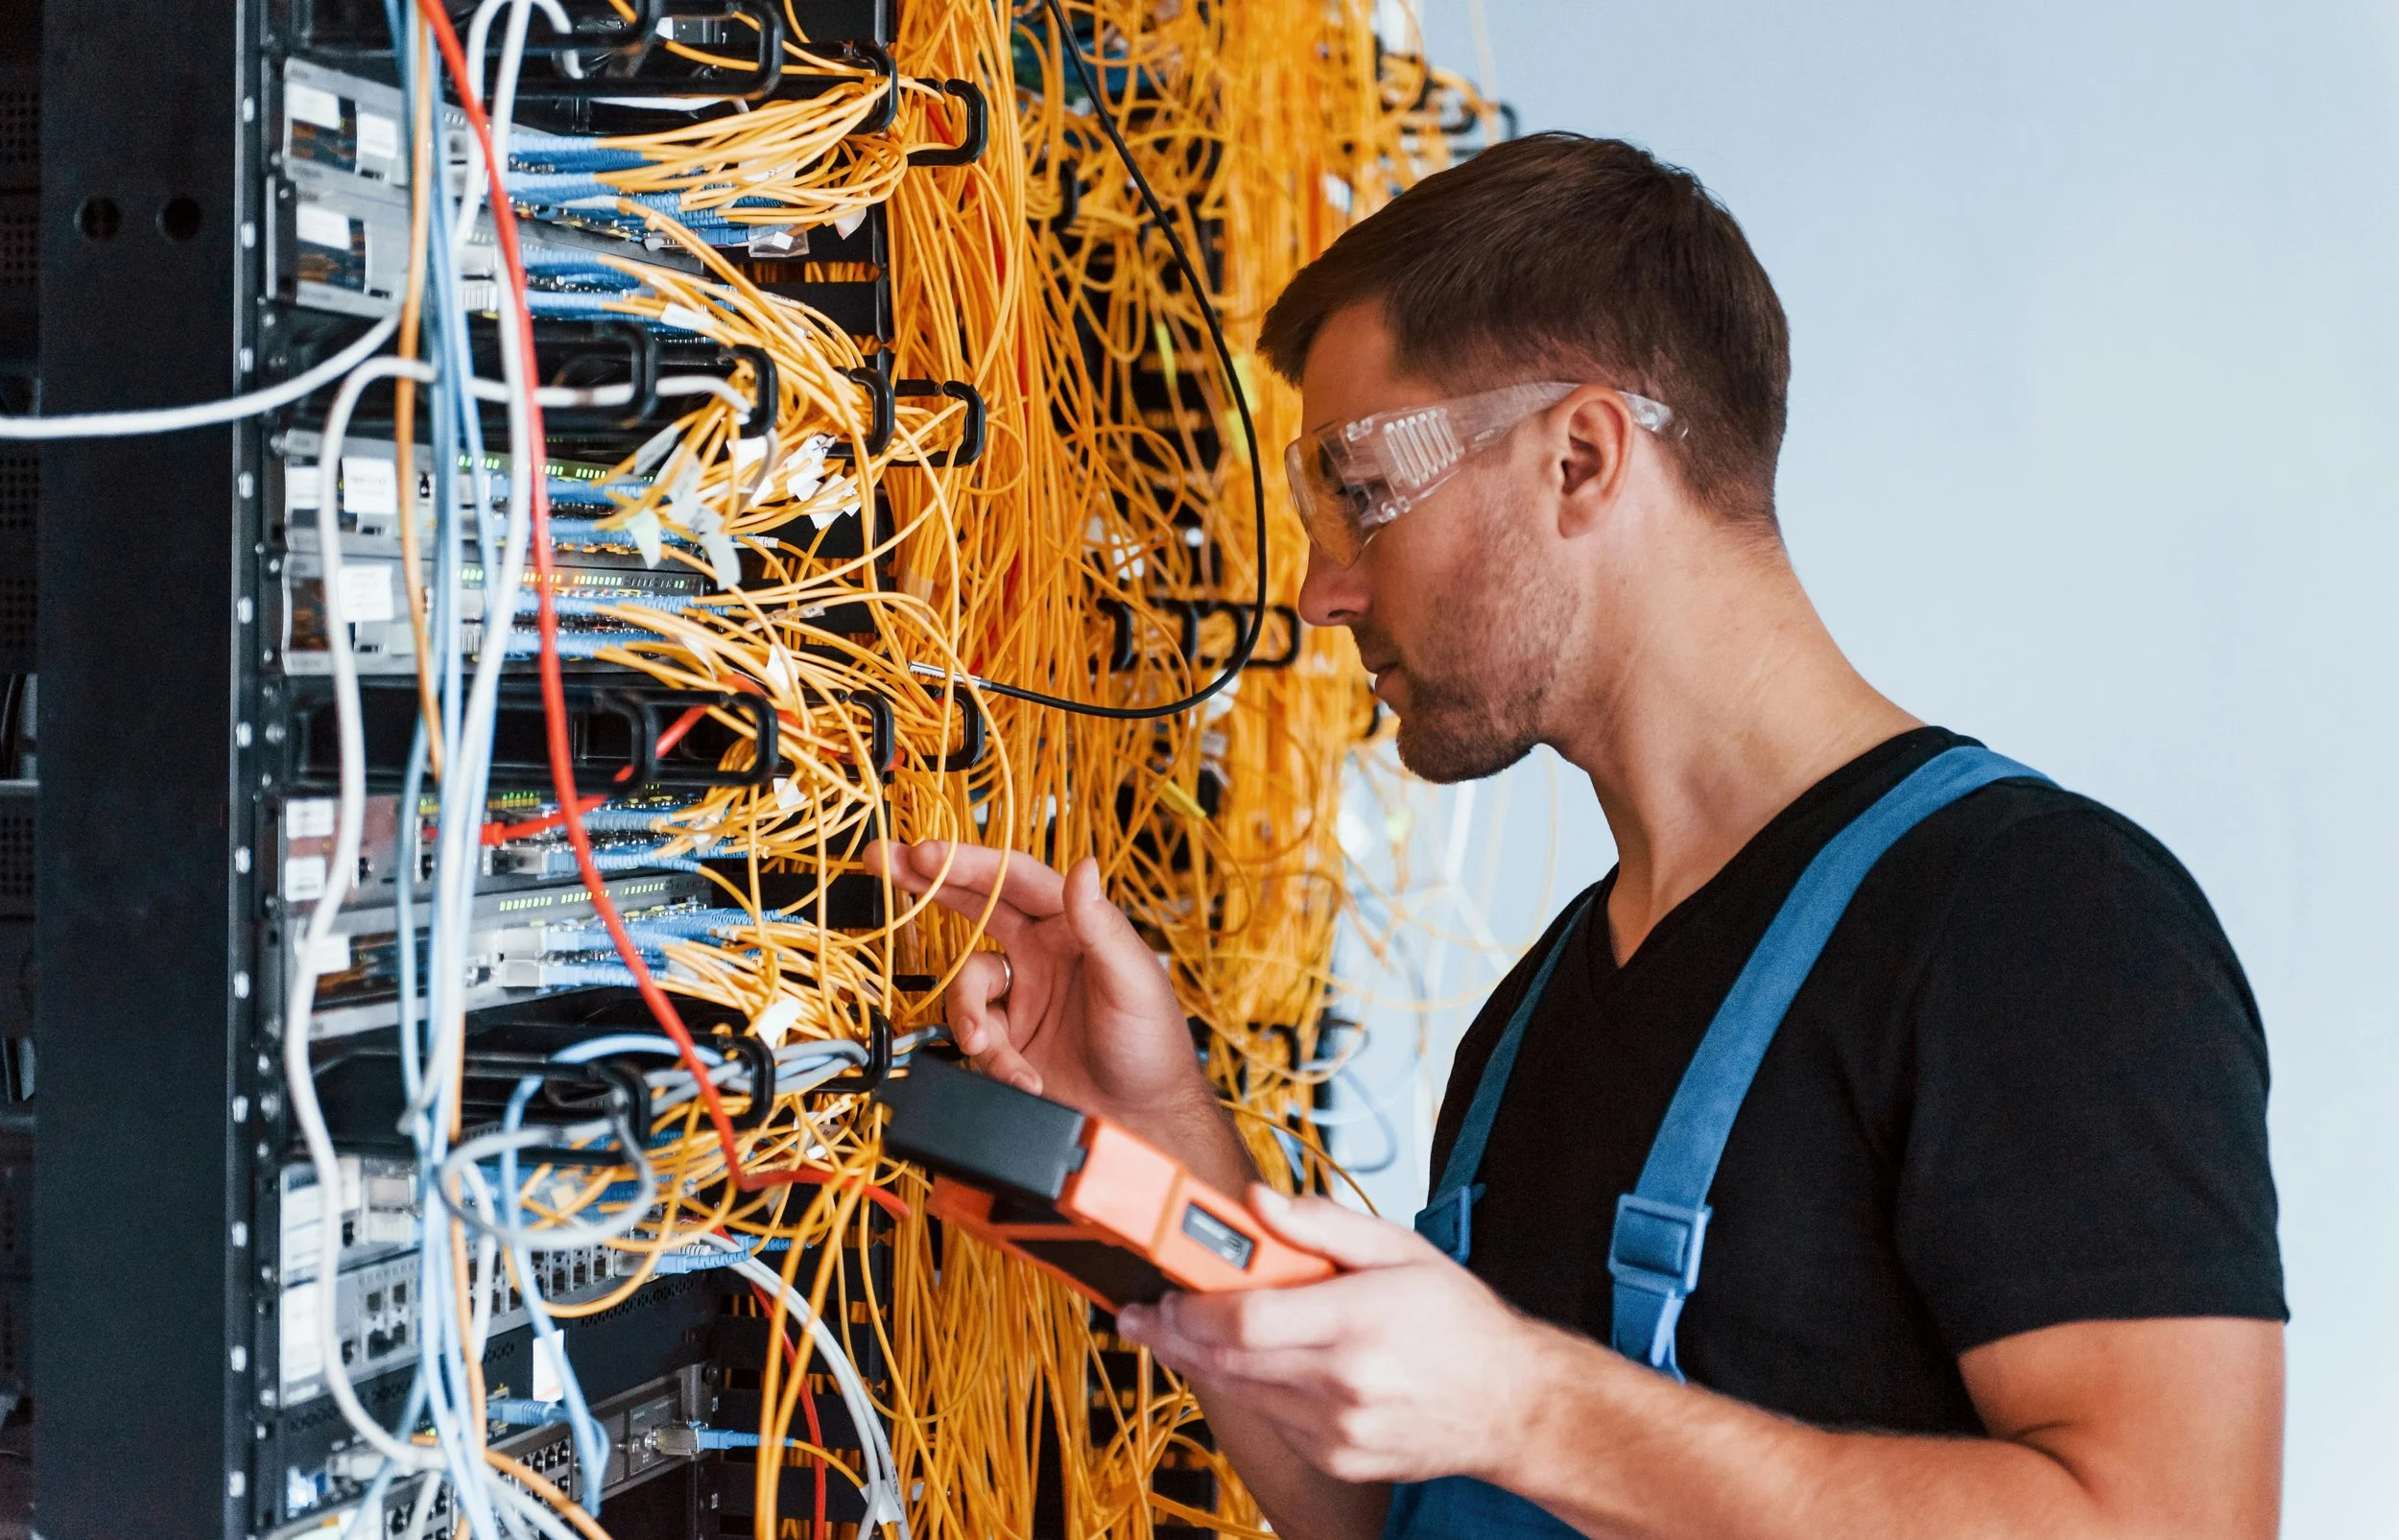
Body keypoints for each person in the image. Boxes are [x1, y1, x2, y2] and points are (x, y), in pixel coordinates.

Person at [867, 132, 2284, 1540]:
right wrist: (1158, 1133)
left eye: (1360, 495)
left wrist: (1529, 1407)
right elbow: (1396, 1509)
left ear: (1581, 459)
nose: (1320, 593)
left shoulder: (2038, 920)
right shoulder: (1532, 1020)